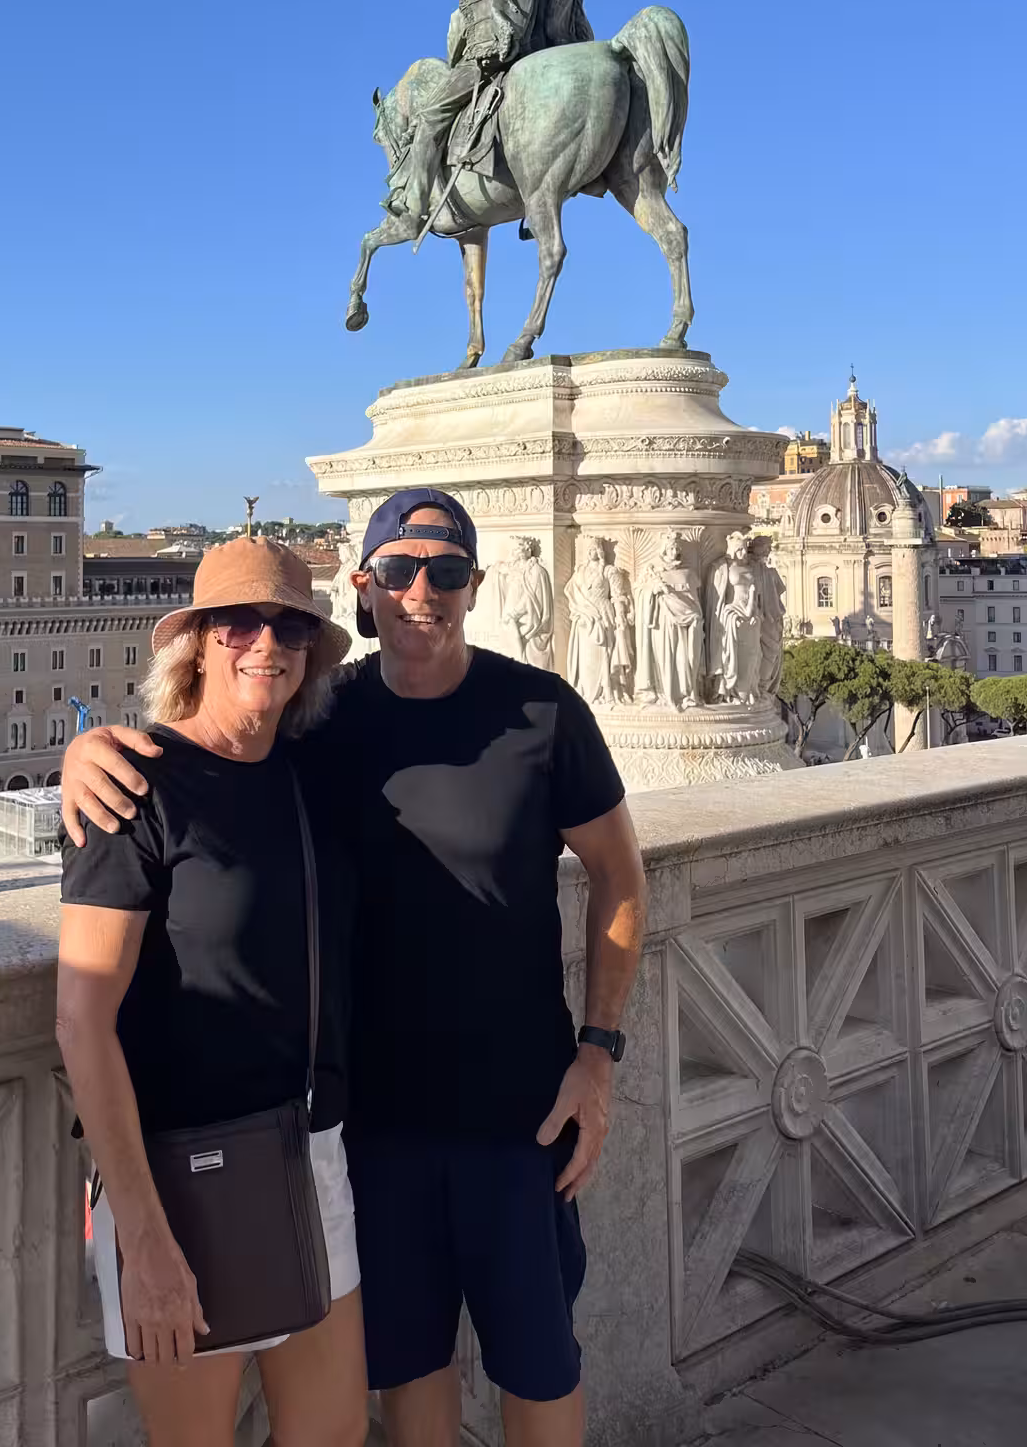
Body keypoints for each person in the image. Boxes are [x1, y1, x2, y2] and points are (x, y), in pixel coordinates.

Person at [62, 489, 646, 1447]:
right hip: (351, 1137)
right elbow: (203, 762)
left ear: (476, 585)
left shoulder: (535, 713)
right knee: (404, 1377)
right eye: (401, 570)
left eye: (446, 571)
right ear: (365, 587)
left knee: (534, 1368)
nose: (424, 590)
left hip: (509, 1119)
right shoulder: (312, 731)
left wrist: (599, 1052)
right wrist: (84, 751)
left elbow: (622, 874)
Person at [56, 537, 366, 1447]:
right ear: (196, 643)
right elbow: (82, 1022)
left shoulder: (315, 774)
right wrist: (144, 1235)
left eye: (289, 627)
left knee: (335, 1434)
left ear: (309, 653)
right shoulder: (132, 788)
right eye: (238, 623)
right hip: (180, 1178)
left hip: (310, 1152)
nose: (265, 644)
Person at [392, 0, 594, 232]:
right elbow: (581, 35)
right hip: (545, 57)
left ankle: (414, 205)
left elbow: (468, 19)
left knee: (431, 115)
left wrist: (464, 54)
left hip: (494, 58)